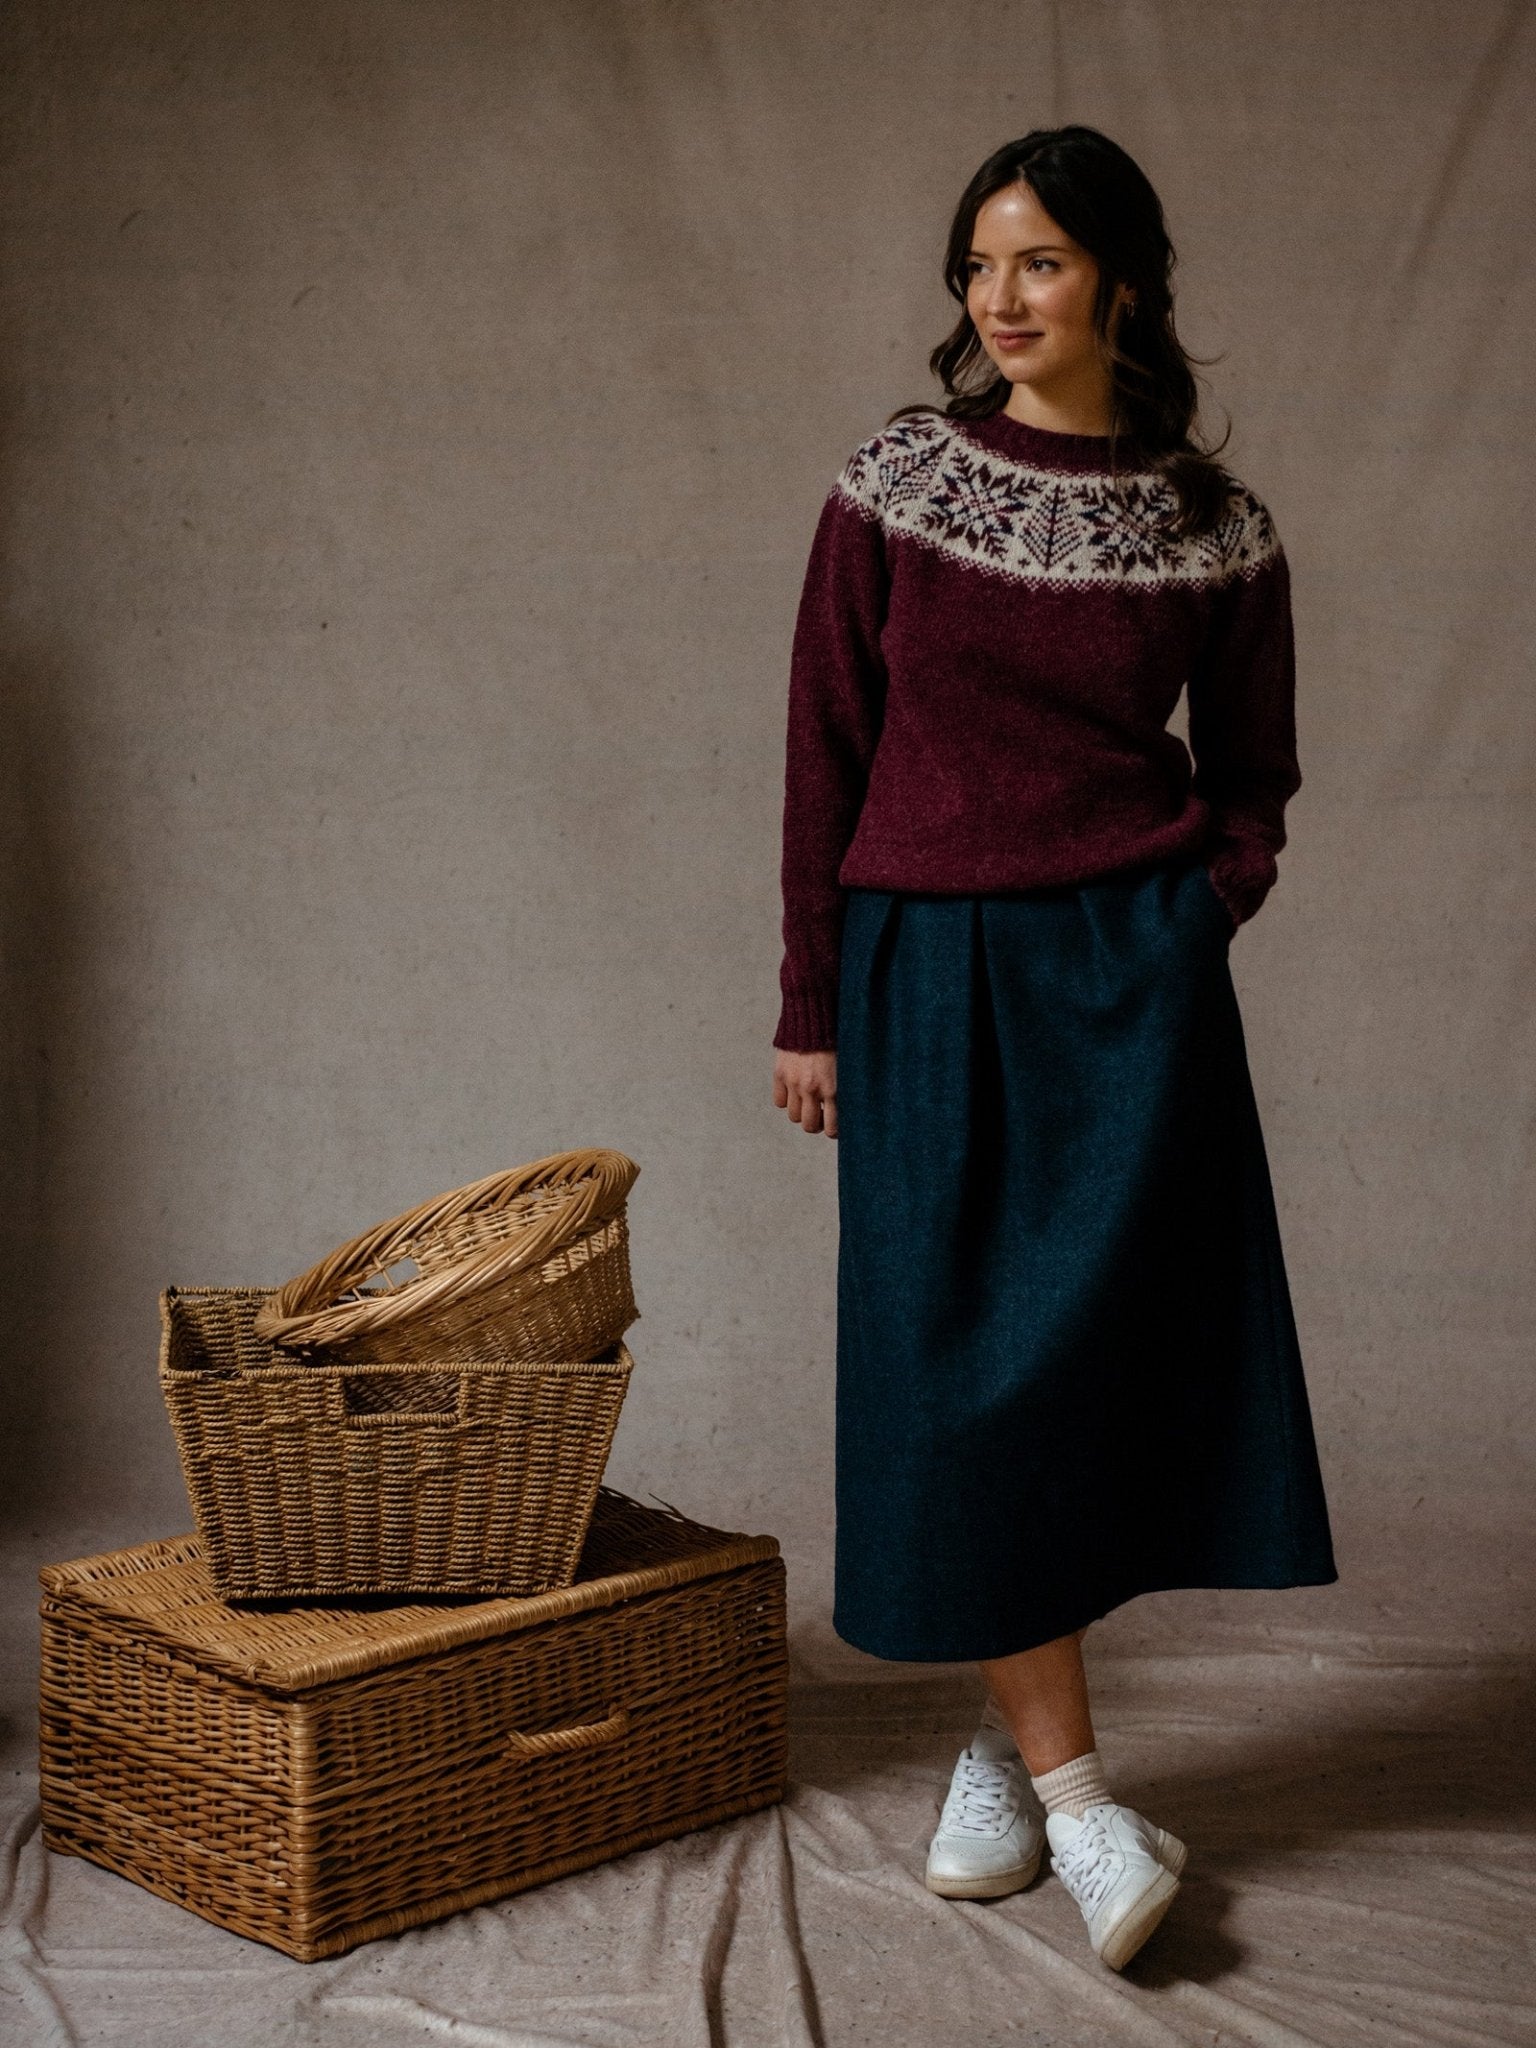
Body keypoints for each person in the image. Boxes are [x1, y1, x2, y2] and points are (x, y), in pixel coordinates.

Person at [769, 125, 1338, 1973]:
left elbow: (1252, 773)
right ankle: (1086, 1801)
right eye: (977, 268)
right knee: (974, 1376)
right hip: (926, 972)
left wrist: (1197, 913)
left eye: (1036, 265)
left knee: (1095, 1372)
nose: (997, 302)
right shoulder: (891, 488)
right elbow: (822, 758)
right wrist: (810, 999)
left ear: (1120, 282)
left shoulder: (1213, 525)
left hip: (1132, 989)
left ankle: (1008, 1769)